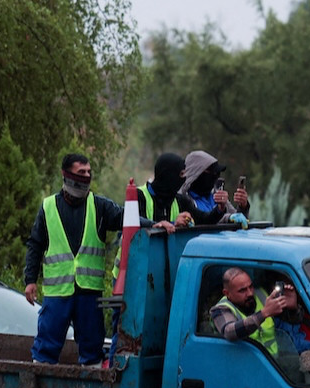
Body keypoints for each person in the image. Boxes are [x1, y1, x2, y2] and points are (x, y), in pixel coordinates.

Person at [24, 153, 161, 365]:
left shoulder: (99, 206)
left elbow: (126, 218)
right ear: (66, 175)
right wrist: (30, 280)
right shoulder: (48, 206)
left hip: (88, 292)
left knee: (92, 347)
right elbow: (35, 244)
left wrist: (154, 224)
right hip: (57, 292)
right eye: (81, 172)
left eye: (89, 172)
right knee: (46, 345)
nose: (87, 176)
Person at [209, 267, 291, 353]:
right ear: (227, 293)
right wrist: (263, 313)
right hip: (244, 363)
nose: (250, 293)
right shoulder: (220, 309)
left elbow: (283, 322)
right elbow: (229, 332)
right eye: (242, 290)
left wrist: (293, 307)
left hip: (272, 361)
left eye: (251, 286)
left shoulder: (261, 294)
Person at [180, 150, 250, 226]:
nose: (215, 176)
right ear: (197, 174)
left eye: (217, 173)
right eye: (212, 173)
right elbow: (202, 221)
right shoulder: (182, 199)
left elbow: (238, 221)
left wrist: (243, 206)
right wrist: (227, 217)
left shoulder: (216, 195)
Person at [137, 152, 195, 229]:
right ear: (169, 175)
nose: (184, 179)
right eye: (181, 174)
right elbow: (136, 225)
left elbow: (204, 219)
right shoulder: (139, 195)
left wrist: (188, 222)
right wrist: (173, 224)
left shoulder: (181, 200)